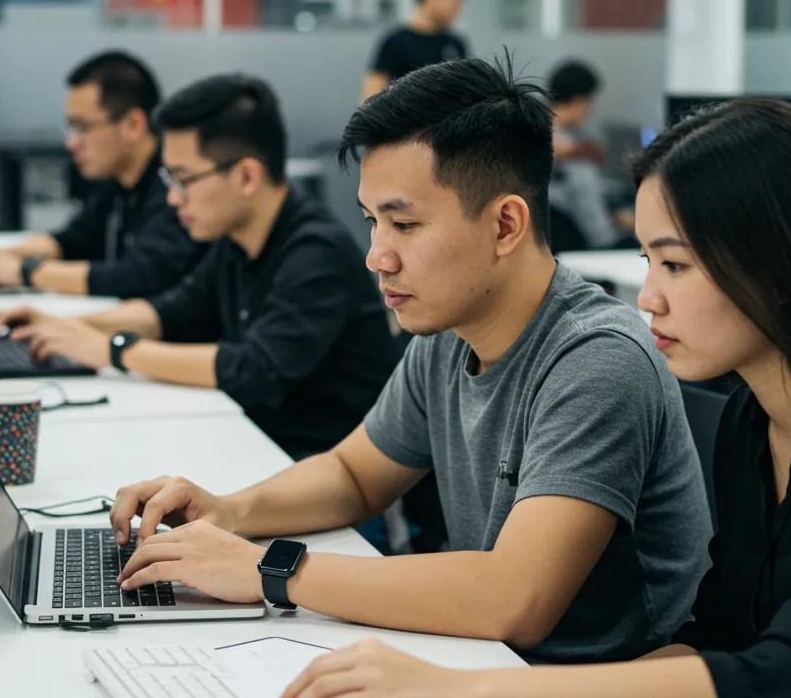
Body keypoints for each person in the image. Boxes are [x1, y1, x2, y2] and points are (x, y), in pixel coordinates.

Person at [280, 98, 791, 698]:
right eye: (648, 262)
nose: (649, 301)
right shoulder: (752, 422)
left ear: (779, 265)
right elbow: (725, 636)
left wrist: (470, 690)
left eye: (676, 265)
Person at [109, 56, 712, 665]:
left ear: (505, 224)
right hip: (483, 662)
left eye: (404, 223)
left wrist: (269, 569)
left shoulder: (597, 360)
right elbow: (354, 475)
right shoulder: (448, 334)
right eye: (373, 222)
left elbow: (516, 599)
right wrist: (230, 511)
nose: (377, 256)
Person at [0, 73, 396, 459]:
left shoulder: (315, 253)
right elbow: (170, 312)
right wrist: (67, 327)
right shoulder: (235, 240)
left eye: (183, 180)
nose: (174, 198)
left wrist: (112, 351)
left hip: (319, 482)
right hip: (255, 449)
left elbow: (252, 370)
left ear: (247, 177)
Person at [0, 50, 204, 298]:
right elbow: (70, 241)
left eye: (83, 128)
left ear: (133, 125)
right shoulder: (118, 182)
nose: (72, 143)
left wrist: (25, 273)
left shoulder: (172, 187)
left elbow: (139, 275)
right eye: (70, 129)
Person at [546, 59, 633, 251]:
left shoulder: (538, 127)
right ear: (580, 101)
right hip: (582, 245)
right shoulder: (574, 156)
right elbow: (597, 231)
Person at [359, 0, 469, 103]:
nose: (459, 9)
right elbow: (369, 100)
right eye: (455, 1)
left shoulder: (456, 44)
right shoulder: (395, 43)